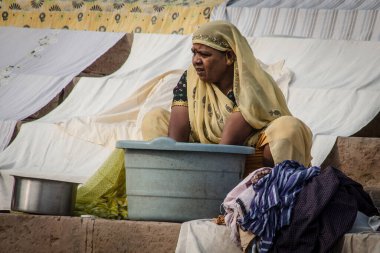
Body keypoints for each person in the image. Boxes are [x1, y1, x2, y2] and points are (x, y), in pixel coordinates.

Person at [141, 20, 313, 175]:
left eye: (205, 54)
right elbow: (174, 141)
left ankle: (278, 192)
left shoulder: (250, 83)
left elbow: (226, 149)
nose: (196, 60)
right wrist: (174, 166)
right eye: (194, 53)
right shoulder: (191, 80)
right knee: (155, 118)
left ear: (229, 57)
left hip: (245, 159)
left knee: (288, 128)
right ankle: (168, 185)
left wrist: (211, 182)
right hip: (199, 156)